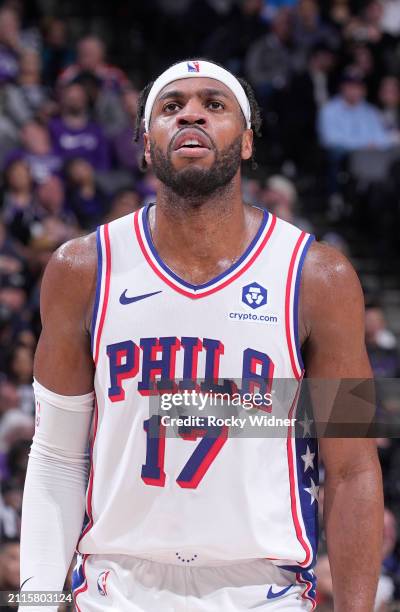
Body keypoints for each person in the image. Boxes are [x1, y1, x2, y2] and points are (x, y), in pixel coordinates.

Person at [20, 59, 383, 611]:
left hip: (267, 591)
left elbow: (354, 468)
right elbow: (55, 457)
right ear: (146, 145)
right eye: (171, 107)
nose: (191, 114)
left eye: (214, 105)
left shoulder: (321, 278)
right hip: (115, 590)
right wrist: (37, 602)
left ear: (246, 143)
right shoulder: (81, 269)